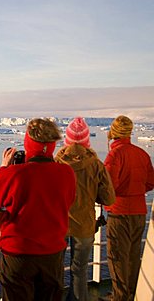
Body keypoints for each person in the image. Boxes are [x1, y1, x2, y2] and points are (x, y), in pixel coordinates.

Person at [0, 118, 76, 301]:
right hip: (52, 253)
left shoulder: (15, 174)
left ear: (28, 142)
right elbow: (68, 200)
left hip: (19, 254)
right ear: (52, 145)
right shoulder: (66, 173)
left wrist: (3, 167)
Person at [55, 117, 115, 301]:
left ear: (67, 139)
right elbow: (108, 198)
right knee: (79, 271)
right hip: (85, 226)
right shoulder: (96, 165)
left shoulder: (56, 163)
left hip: (59, 225)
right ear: (86, 141)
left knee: (55, 270)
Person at [103, 115, 154, 301]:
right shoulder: (142, 154)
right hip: (139, 212)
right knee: (132, 256)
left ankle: (119, 297)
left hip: (119, 212)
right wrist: (135, 189)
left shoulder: (115, 154)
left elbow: (109, 186)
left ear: (113, 132)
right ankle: (131, 293)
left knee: (117, 257)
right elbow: (150, 182)